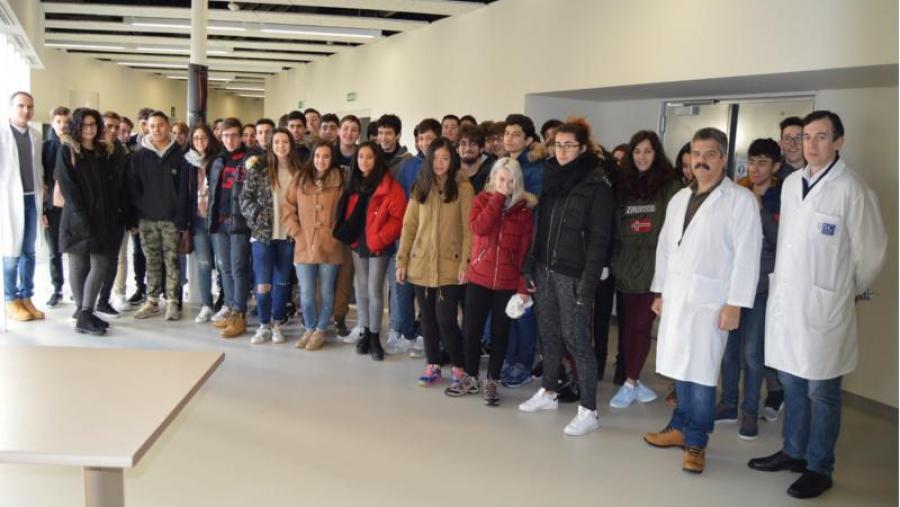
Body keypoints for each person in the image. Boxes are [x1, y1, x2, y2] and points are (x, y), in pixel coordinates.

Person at [749, 111, 887, 499]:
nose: (810, 144)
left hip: (826, 306)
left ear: (839, 142)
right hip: (790, 303)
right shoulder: (792, 184)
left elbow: (872, 254)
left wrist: (841, 290)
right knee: (792, 382)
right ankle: (794, 451)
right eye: (806, 137)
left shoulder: (853, 189)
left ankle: (819, 466)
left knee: (822, 392)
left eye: (821, 137)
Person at [643, 127, 761, 474]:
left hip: (713, 301)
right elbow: (665, 248)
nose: (701, 161)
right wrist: (660, 291)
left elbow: (747, 257)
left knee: (702, 374)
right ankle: (679, 427)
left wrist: (735, 303)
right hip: (678, 297)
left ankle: (696, 441)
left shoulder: (740, 201)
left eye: (710, 154)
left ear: (724, 159)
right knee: (680, 367)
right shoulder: (680, 198)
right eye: (696, 154)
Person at [518, 119, 615, 436]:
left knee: (577, 343)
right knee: (549, 335)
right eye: (557, 144)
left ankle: (589, 410)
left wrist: (588, 284)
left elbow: (601, 239)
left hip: (573, 275)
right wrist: (530, 263)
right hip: (545, 269)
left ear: (583, 148)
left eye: (569, 145)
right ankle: (548, 391)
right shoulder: (552, 178)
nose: (561, 151)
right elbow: (540, 226)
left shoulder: (596, 185)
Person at [715, 138, 782, 439]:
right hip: (732, 287)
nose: (755, 168)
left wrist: (761, 212)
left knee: (754, 355)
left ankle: (750, 413)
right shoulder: (736, 193)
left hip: (762, 288)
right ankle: (728, 404)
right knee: (729, 352)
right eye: (752, 161)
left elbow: (783, 241)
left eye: (763, 162)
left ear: (775, 167)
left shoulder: (782, 197)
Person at [609, 130, 679, 409]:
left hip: (655, 268)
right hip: (626, 266)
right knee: (629, 328)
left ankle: (631, 381)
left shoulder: (670, 186)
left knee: (640, 326)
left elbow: (675, 231)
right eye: (637, 151)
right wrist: (614, 261)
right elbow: (614, 227)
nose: (641, 157)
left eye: (647, 151)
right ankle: (633, 379)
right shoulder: (622, 185)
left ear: (657, 153)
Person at [396, 137, 474, 388]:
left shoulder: (463, 188)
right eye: (436, 158)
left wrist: (466, 262)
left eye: (445, 158)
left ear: (453, 160)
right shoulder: (421, 186)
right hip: (420, 264)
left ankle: (460, 368)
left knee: (447, 320)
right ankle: (433, 364)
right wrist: (402, 260)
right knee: (426, 319)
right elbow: (409, 226)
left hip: (449, 265)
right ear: (429, 160)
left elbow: (468, 230)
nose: (440, 164)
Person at [460, 157, 534, 405]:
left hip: (507, 281)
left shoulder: (524, 211)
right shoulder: (481, 200)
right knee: (471, 330)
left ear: (517, 183)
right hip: (479, 277)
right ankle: (471, 376)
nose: (505, 184)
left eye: (510, 181)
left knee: (500, 333)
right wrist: (498, 198)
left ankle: (491, 380)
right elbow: (478, 228)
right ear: (493, 179)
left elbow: (525, 252)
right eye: (501, 179)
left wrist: (523, 288)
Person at [333, 141, 407, 361]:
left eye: (369, 157)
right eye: (360, 157)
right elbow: (346, 213)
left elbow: (398, 218)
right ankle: (364, 331)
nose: (364, 161)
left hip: (379, 245)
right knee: (362, 289)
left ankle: (375, 336)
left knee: (375, 291)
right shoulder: (353, 183)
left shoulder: (389, 185)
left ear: (377, 160)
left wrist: (382, 237)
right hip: (358, 243)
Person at [56, 108, 126, 335]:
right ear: (77, 126)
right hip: (77, 217)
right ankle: (83, 312)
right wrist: (81, 215)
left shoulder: (102, 151)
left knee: (102, 263)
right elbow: (68, 187)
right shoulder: (67, 151)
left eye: (93, 125)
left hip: (102, 216)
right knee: (79, 265)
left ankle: (86, 311)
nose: (89, 129)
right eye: (85, 125)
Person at [385, 118, 441, 357]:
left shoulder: (444, 166)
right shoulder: (410, 165)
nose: (424, 142)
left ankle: (427, 336)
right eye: (420, 138)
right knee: (403, 286)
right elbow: (401, 201)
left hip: (435, 238)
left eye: (429, 138)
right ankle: (405, 332)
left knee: (430, 291)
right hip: (409, 234)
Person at [127, 110, 189, 320]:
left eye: (160, 125)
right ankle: (152, 300)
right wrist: (136, 215)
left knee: (172, 262)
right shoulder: (139, 155)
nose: (156, 130)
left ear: (168, 126)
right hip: (147, 219)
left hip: (171, 219)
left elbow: (183, 191)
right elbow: (133, 188)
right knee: (152, 261)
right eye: (152, 126)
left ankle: (172, 301)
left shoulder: (180, 156)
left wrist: (182, 219)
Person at [284, 140, 344, 350]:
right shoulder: (300, 179)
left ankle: (320, 329)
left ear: (332, 158)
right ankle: (309, 327)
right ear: (312, 157)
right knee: (307, 292)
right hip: (304, 244)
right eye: (318, 156)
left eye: (326, 156)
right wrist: (296, 232)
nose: (321, 160)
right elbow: (288, 207)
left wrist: (337, 233)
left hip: (331, 244)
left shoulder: (340, 179)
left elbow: (347, 210)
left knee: (327, 292)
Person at [240, 128, 299, 345]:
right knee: (263, 284)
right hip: (263, 235)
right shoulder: (259, 168)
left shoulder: (298, 171)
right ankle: (264, 325)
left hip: (288, 236)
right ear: (271, 145)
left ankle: (277, 324)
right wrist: (257, 217)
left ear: (291, 145)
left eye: (285, 142)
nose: (281, 146)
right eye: (277, 142)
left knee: (283, 282)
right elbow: (245, 198)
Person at [1, 91, 45, 322]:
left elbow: (39, 171)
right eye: (21, 106)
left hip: (31, 199)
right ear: (11, 107)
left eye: (29, 106)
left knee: (29, 252)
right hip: (9, 201)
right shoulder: (1, 134)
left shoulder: (36, 136)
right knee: (11, 253)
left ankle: (27, 297)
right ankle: (11, 299)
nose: (26, 111)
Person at [207, 117, 252, 338]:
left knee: (238, 268)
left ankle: (240, 313)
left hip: (239, 223)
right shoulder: (217, 160)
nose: (230, 140)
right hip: (220, 222)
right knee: (224, 267)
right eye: (226, 135)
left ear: (241, 136)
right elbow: (213, 193)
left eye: (234, 135)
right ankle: (230, 306)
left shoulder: (251, 159)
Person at [94, 111, 132, 318]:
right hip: (95, 215)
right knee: (92, 262)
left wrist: (128, 215)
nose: (113, 131)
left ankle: (103, 300)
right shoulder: (91, 150)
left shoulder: (122, 152)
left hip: (116, 215)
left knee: (112, 260)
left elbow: (127, 186)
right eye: (109, 126)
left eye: (116, 127)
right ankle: (85, 304)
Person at [184, 124, 222, 323]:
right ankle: (207, 304)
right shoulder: (187, 162)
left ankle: (224, 303)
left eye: (204, 138)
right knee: (204, 263)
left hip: (217, 219)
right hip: (197, 220)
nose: (200, 142)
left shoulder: (218, 160)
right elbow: (183, 193)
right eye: (196, 138)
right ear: (191, 140)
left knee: (223, 264)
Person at [332, 114, 361, 337]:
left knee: (345, 273)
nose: (349, 133)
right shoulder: (327, 154)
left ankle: (339, 316)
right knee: (324, 273)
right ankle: (320, 317)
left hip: (352, 223)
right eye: (345, 128)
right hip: (327, 221)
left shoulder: (363, 156)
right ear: (339, 131)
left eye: (354, 129)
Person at [41, 105, 70, 308]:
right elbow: (41, 180)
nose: (62, 126)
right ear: (52, 123)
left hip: (73, 207)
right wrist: (43, 209)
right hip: (52, 208)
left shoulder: (76, 145)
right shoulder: (46, 147)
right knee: (54, 251)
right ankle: (57, 288)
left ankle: (79, 290)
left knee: (77, 251)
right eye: (58, 122)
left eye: (66, 122)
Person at [503, 114, 544, 195]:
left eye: (516, 135)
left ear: (528, 141)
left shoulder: (536, 168)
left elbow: (533, 202)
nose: (509, 138)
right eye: (507, 133)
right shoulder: (502, 162)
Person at [457, 123, 494, 194]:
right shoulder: (450, 171)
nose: (468, 148)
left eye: (473, 143)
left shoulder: (492, 173)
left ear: (481, 149)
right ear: (457, 149)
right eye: (463, 143)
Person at [376, 114, 413, 178]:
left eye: (388, 133)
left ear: (398, 135)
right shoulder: (372, 157)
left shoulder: (408, 161)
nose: (383, 138)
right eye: (380, 133)